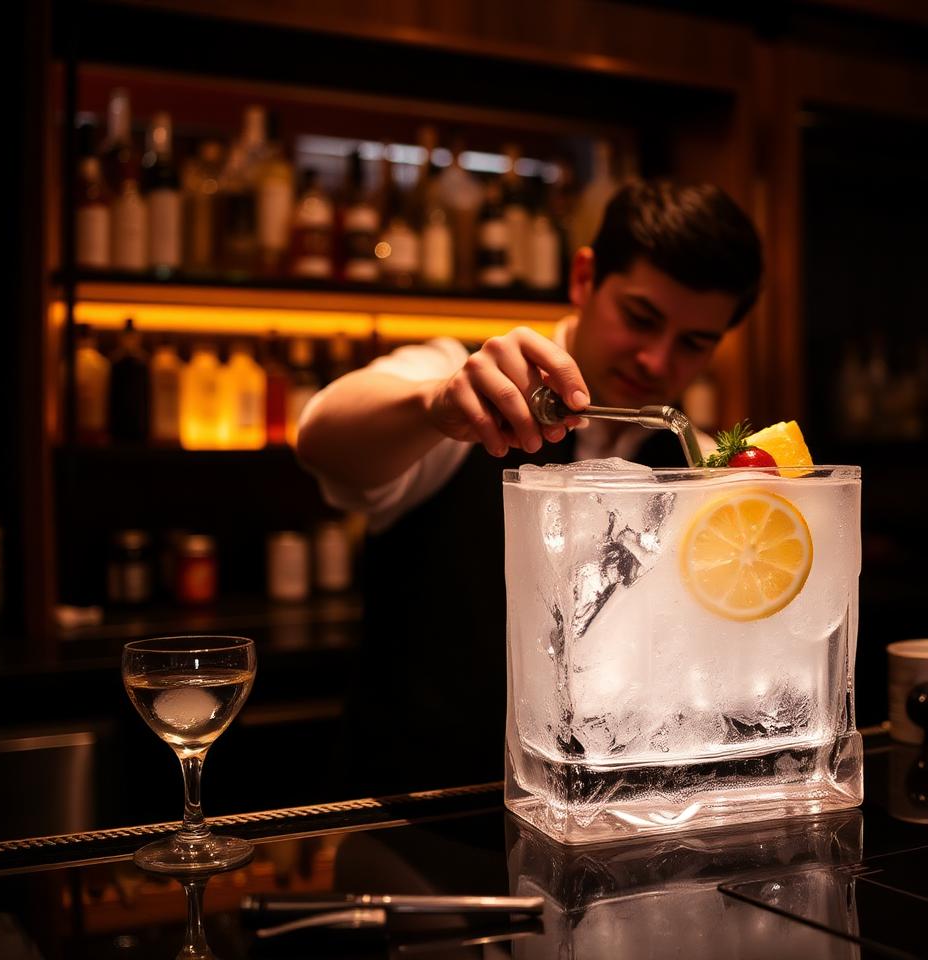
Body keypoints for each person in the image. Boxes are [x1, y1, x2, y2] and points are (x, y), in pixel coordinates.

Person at [297, 179, 763, 792]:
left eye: (694, 344)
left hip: (609, 834)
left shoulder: (698, 461)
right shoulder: (459, 385)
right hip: (417, 818)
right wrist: (433, 407)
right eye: (639, 318)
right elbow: (321, 437)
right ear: (583, 278)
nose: (656, 360)